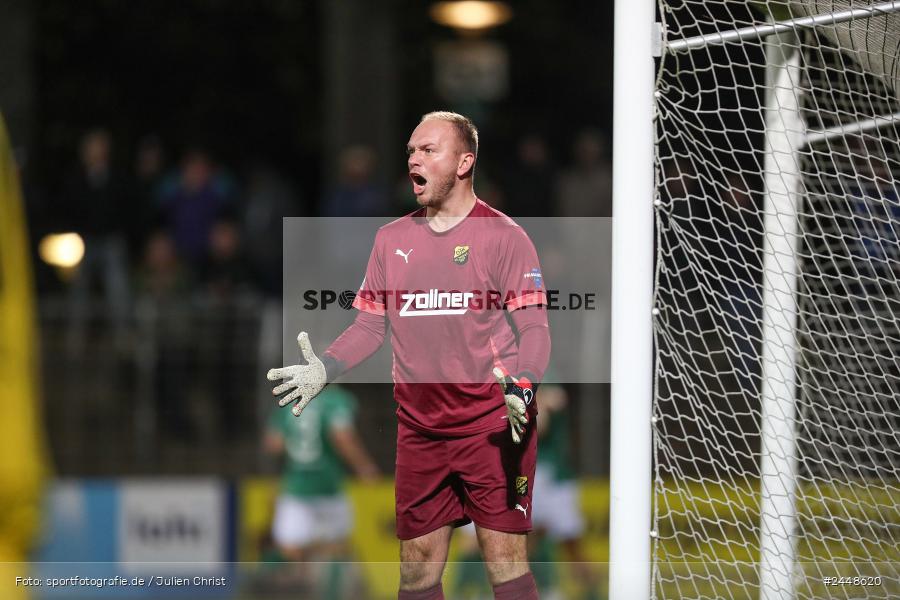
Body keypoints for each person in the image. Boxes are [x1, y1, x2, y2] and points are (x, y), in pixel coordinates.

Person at [268, 111, 551, 600]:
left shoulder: (505, 237)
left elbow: (533, 326)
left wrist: (524, 384)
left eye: (428, 150)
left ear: (464, 163)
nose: (414, 160)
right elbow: (370, 325)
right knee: (417, 572)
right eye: (410, 152)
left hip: (491, 424)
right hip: (420, 429)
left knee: (503, 562)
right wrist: (326, 367)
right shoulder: (390, 239)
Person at [263, 384, 379, 598]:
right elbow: (342, 437)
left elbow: (274, 444)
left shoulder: (289, 399)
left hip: (296, 487)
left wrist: (297, 442)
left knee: (289, 550)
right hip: (328, 487)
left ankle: (272, 592)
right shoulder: (337, 400)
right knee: (337, 547)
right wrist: (364, 466)